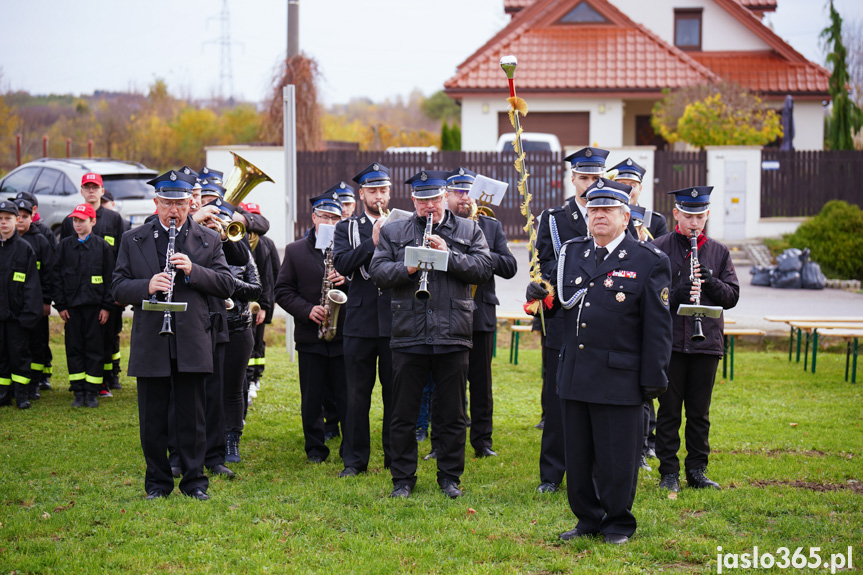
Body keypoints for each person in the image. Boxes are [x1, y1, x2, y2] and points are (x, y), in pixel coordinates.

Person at [526, 178, 672, 544]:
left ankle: (618, 522)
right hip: (576, 373)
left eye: (607, 210)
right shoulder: (574, 253)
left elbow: (658, 328)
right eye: (593, 209)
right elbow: (562, 301)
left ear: (626, 216)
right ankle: (587, 519)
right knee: (578, 455)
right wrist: (540, 297)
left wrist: (652, 381)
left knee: (617, 459)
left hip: (620, 377)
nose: (599, 216)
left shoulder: (648, 260)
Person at [369, 169, 492, 499]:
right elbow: (377, 272)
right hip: (409, 331)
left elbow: (484, 268)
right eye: (423, 202)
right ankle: (403, 478)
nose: (429, 208)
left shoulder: (469, 228)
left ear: (444, 197)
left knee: (452, 413)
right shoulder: (395, 231)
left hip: (453, 331)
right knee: (403, 412)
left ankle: (449, 477)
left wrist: (448, 255)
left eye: (435, 200)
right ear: (413, 201)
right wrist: (408, 268)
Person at [112, 169, 234, 501]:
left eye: (180, 203)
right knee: (152, 419)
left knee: (192, 416)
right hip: (152, 340)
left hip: (192, 339)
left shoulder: (208, 239)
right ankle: (157, 482)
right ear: (156, 203)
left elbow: (226, 284)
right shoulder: (133, 238)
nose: (174, 210)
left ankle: (195, 482)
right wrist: (146, 286)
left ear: (190, 202)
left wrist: (195, 271)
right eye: (167, 203)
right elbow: (117, 287)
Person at [652, 187, 740, 492]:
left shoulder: (718, 251)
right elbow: (652, 298)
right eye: (688, 215)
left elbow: (732, 297)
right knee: (669, 411)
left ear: (707, 215)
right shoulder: (659, 248)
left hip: (707, 343)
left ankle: (697, 470)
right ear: (676, 214)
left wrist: (710, 281)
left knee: (699, 413)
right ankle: (668, 472)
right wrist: (680, 288)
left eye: (699, 216)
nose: (694, 222)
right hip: (672, 342)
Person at [532, 146, 608, 493]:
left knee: (595, 393)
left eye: (596, 177)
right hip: (564, 315)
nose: (590, 184)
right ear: (573, 178)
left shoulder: (613, 212)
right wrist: (574, 278)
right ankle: (552, 473)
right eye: (585, 178)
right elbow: (544, 262)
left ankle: (594, 468)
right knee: (557, 395)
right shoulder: (554, 217)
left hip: (603, 317)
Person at [445, 167, 517, 458]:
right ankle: (444, 440)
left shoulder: (491, 227)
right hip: (448, 312)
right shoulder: (439, 225)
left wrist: (481, 252)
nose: (464, 198)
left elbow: (510, 267)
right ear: (446, 195)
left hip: (481, 312)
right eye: (458, 193)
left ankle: (482, 441)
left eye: (468, 192)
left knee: (481, 382)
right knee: (447, 380)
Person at [274, 191, 349, 464]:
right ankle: (315, 449)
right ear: (313, 218)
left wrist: (347, 279)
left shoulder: (348, 251)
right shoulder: (295, 251)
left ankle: (349, 448)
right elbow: (281, 290)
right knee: (312, 397)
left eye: (335, 218)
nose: (329, 222)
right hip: (310, 336)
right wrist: (307, 310)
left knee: (347, 396)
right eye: (324, 217)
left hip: (343, 335)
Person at [333, 166, 395, 477]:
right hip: (359, 322)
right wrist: (371, 241)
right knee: (357, 394)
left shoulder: (403, 222)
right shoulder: (347, 227)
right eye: (373, 191)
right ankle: (355, 460)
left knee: (396, 394)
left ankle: (395, 457)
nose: (379, 196)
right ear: (361, 194)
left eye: (383, 190)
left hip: (396, 322)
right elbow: (341, 264)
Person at [61, 172, 129, 396]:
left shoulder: (114, 219)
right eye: (86, 187)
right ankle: (88, 385)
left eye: (95, 187)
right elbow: (63, 261)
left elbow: (121, 256)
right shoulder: (69, 222)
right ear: (81, 191)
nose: (91, 191)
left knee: (109, 336)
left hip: (106, 294)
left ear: (102, 190)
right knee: (84, 341)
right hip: (79, 296)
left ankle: (108, 379)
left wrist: (118, 291)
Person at [54, 204, 115, 408]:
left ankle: (92, 391)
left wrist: (106, 306)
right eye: (75, 220)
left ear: (93, 221)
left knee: (94, 349)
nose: (77, 224)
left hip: (95, 310)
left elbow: (110, 279)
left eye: (82, 220)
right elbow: (57, 277)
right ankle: (78, 391)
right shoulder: (64, 246)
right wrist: (61, 305)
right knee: (74, 349)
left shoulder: (102, 247)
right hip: (71, 310)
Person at [9, 191, 56, 390]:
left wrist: (46, 300)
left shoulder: (41, 238)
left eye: (24, 216)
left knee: (37, 341)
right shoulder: (7, 242)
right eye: (16, 216)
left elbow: (50, 272)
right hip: (12, 303)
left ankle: (36, 380)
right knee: (16, 343)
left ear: (32, 215)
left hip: (36, 302)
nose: (20, 220)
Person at [0, 200, 42, 409]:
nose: (3, 223)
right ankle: (3, 393)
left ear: (16, 220)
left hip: (18, 319)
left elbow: (32, 286)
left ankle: (21, 394)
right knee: (1, 357)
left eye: (7, 219)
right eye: (0, 219)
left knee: (19, 356)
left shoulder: (24, 249)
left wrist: (28, 316)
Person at [609, 158, 668, 240]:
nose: (628, 191)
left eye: (633, 186)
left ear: (640, 189)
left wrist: (645, 238)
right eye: (623, 185)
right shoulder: (606, 217)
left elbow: (663, 250)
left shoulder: (656, 221)